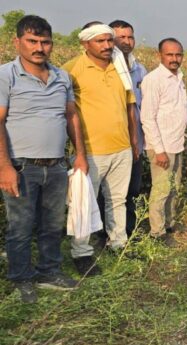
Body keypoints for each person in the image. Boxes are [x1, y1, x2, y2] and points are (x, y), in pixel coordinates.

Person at [0, 15, 87, 303]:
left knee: (52, 224)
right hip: (22, 166)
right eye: (32, 41)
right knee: (21, 227)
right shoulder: (6, 75)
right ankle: (21, 278)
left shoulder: (61, 76)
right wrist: (4, 166)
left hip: (57, 165)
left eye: (45, 42)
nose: (39, 48)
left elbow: (71, 116)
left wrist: (80, 155)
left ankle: (49, 272)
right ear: (17, 42)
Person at [64, 22, 139, 276]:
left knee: (117, 200)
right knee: (83, 203)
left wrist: (133, 142)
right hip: (90, 152)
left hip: (121, 148)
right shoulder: (72, 69)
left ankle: (118, 243)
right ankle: (82, 253)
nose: (107, 45)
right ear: (85, 43)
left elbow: (130, 107)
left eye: (109, 40)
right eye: (100, 41)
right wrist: (78, 152)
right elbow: (66, 112)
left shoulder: (120, 67)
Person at [141, 38, 187, 244]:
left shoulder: (179, 78)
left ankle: (169, 224)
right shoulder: (154, 80)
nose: (174, 58)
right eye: (170, 54)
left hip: (176, 144)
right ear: (159, 55)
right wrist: (159, 150)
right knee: (161, 190)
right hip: (161, 146)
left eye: (178, 54)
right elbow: (147, 118)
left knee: (173, 188)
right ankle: (157, 233)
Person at [109, 20, 147, 238]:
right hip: (114, 142)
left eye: (129, 37)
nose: (126, 41)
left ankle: (130, 232)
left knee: (132, 189)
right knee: (111, 193)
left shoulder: (139, 70)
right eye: (120, 37)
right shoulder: (108, 69)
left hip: (136, 142)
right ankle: (107, 235)